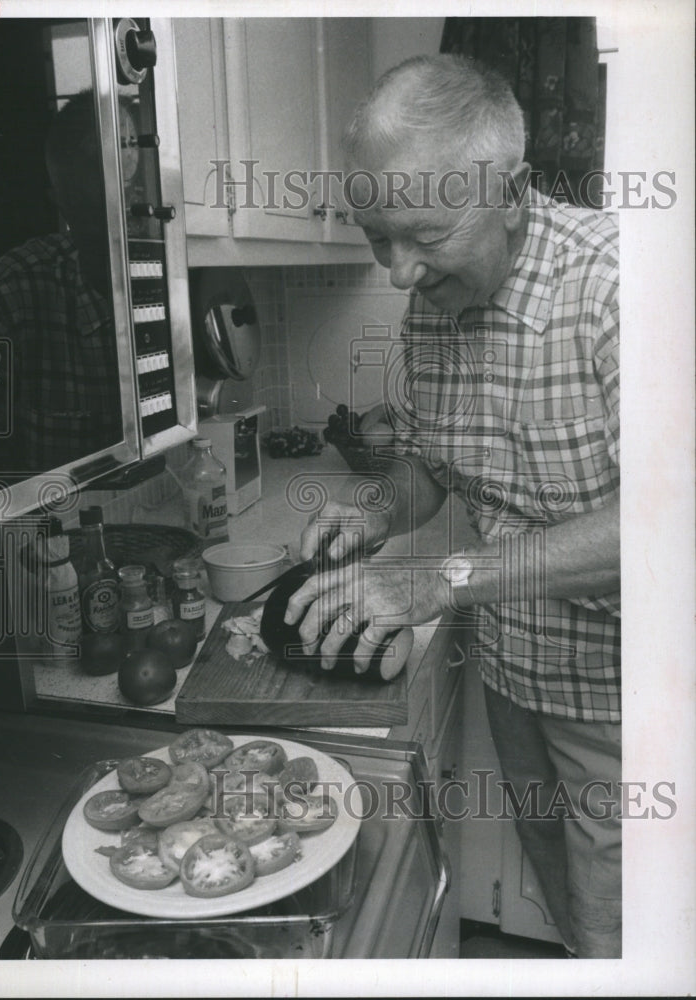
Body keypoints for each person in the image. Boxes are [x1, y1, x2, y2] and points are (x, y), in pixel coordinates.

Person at [283, 54, 621, 958]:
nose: (396, 272)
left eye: (423, 234)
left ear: (508, 194)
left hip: (625, 697)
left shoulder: (618, 285)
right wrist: (372, 511)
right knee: (566, 896)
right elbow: (435, 462)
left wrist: (437, 577)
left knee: (626, 932)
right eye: (374, 237)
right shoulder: (431, 303)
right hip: (513, 668)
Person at [0, 90, 122, 478]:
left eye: (134, 191)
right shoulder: (8, 295)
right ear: (62, 204)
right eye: (98, 197)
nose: (123, 218)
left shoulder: (193, 277)